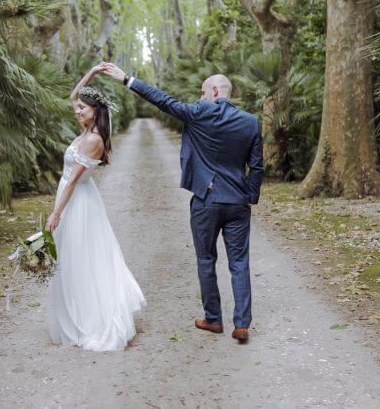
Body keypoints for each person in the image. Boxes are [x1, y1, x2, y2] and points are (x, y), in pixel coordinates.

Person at [101, 62, 263, 343]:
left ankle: (213, 319)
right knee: (239, 263)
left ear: (215, 91)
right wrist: (249, 195)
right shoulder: (250, 122)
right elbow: (257, 166)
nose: (200, 97)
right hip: (238, 201)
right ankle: (242, 325)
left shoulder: (199, 112)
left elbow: (163, 101)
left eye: (202, 92)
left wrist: (127, 79)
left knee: (206, 259)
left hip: (206, 199)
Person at [44, 64, 146, 351]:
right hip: (70, 197)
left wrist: (56, 213)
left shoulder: (93, 140)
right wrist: (92, 72)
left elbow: (74, 181)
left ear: (94, 111)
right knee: (71, 258)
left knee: (83, 257)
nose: (77, 111)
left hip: (79, 202)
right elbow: (73, 95)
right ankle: (76, 313)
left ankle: (92, 318)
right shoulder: (86, 129)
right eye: (77, 108)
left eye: (82, 108)